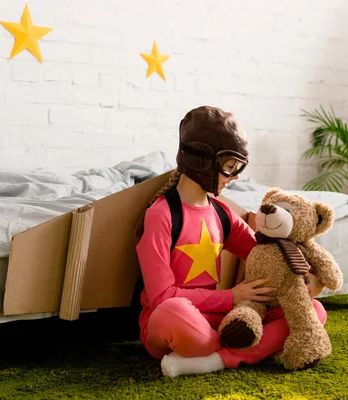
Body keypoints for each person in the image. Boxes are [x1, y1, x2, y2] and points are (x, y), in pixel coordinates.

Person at [135, 105, 328, 378]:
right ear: (201, 161)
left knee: (313, 313)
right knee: (171, 312)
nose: (235, 177)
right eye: (229, 167)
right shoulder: (161, 215)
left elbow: (266, 254)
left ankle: (211, 360)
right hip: (177, 322)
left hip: (223, 323)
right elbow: (162, 297)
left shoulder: (221, 212)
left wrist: (309, 277)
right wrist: (232, 297)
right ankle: (231, 352)